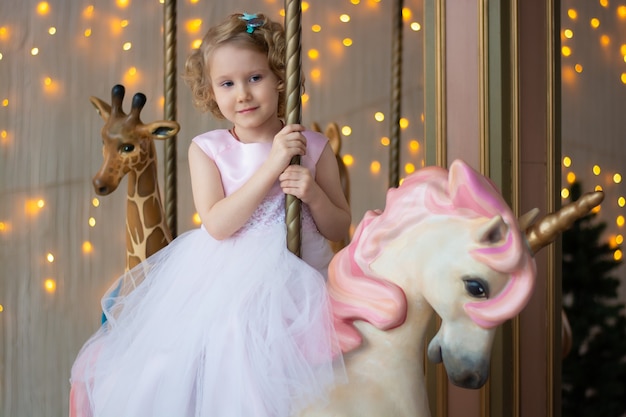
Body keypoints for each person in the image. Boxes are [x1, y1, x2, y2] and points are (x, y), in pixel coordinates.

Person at [69, 12, 351, 417]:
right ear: (210, 91)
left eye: (255, 78)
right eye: (227, 83)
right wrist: (272, 166)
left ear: (280, 77)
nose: (243, 94)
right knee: (232, 338)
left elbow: (340, 224)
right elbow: (218, 225)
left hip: (305, 278)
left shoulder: (312, 145)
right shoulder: (208, 148)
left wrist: (314, 195)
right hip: (232, 278)